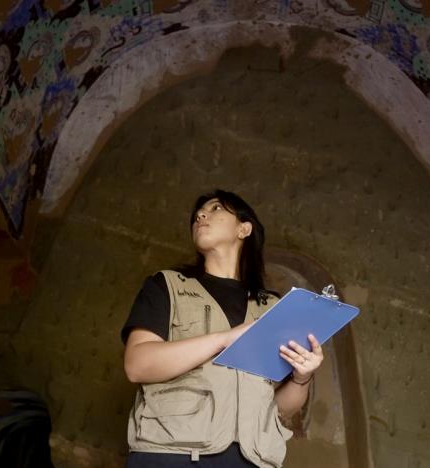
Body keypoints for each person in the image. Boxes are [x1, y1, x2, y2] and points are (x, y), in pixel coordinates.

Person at [121, 190, 324, 467]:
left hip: (253, 461)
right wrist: (225, 338)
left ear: (244, 229)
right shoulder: (167, 285)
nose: (200, 215)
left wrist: (302, 378)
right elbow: (137, 365)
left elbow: (276, 409)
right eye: (198, 214)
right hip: (173, 454)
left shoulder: (273, 308)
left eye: (216, 208)